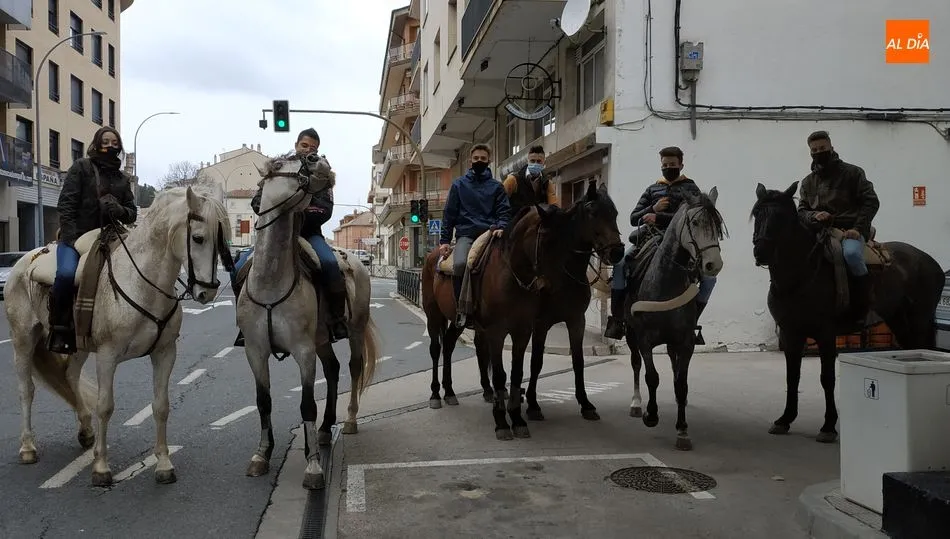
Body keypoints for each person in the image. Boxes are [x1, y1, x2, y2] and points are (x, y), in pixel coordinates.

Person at [233, 127, 349, 346]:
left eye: (312, 148)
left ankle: (336, 320)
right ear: (296, 145)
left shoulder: (321, 174)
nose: (307, 150)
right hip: (273, 235)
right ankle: (243, 322)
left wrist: (296, 212)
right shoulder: (278, 168)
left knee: (329, 264)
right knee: (238, 267)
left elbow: (325, 210)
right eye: (304, 145)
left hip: (308, 235)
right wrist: (277, 209)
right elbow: (258, 201)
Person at [603, 146, 716, 343]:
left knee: (709, 279)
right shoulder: (652, 189)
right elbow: (633, 217)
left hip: (681, 242)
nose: (668, 168)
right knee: (620, 265)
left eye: (672, 164)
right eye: (665, 165)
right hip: (650, 239)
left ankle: (692, 322)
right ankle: (618, 320)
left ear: (681, 165)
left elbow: (693, 217)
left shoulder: (691, 189)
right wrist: (651, 208)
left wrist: (658, 216)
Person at [49, 126, 138, 354]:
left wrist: (118, 209)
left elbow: (132, 213)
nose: (110, 146)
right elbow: (65, 204)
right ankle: (59, 328)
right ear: (97, 144)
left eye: (114, 142)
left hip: (108, 237)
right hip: (76, 236)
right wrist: (70, 237)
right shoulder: (82, 167)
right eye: (105, 141)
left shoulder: (122, 179)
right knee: (67, 274)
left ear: (119, 147)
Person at [797, 130, 880, 324]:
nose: (819, 152)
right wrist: (814, 215)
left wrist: (858, 229)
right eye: (814, 150)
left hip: (849, 230)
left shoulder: (853, 173)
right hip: (820, 230)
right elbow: (801, 210)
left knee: (851, 254)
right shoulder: (808, 182)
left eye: (822, 148)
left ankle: (864, 300)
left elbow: (871, 202)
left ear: (831, 148)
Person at [438, 144, 512, 328]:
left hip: (491, 234)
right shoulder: (458, 185)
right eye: (476, 158)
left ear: (489, 161)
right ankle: (461, 310)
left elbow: (504, 212)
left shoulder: (497, 187)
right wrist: (445, 241)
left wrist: (502, 226)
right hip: (466, 235)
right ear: (470, 161)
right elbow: (449, 215)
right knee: (461, 264)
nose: (479, 161)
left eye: (483, 159)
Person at [502, 145, 558, 216]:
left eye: (539, 161)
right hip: (514, 222)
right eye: (532, 161)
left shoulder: (547, 183)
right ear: (527, 161)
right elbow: (500, 201)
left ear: (544, 162)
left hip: (537, 223)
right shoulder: (513, 180)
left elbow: (554, 206)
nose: (535, 164)